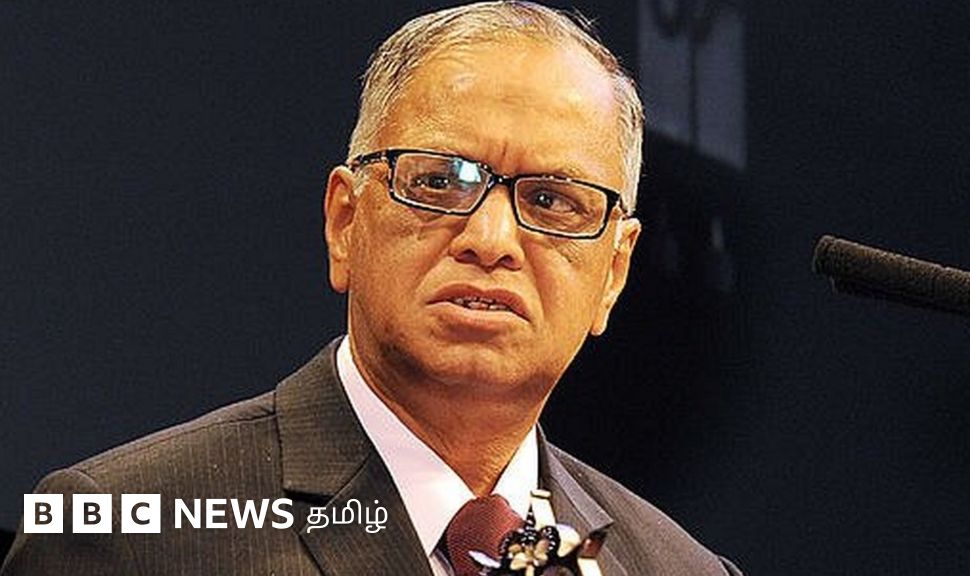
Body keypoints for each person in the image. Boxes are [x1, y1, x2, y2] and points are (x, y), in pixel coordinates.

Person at [2, 2, 741, 574]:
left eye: (551, 201)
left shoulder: (680, 569)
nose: (490, 239)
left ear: (613, 272)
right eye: (439, 182)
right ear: (345, 222)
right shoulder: (125, 534)